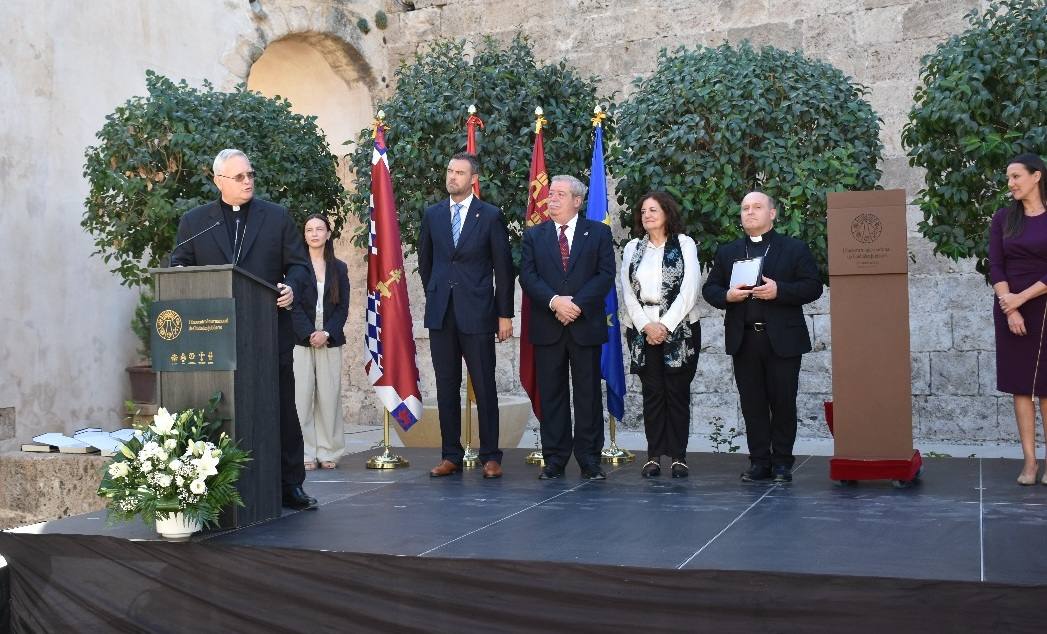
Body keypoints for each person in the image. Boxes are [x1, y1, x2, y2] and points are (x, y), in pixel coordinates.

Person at [170, 148, 317, 510]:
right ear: (219, 181)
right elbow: (179, 264)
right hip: (213, 336)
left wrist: (291, 288)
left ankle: (290, 484)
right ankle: (211, 483)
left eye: (250, 174)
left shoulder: (276, 217)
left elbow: (299, 266)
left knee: (281, 408)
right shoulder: (195, 221)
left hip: (268, 332)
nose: (248, 181)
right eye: (239, 177)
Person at [702, 191, 822, 484]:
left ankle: (782, 462)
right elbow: (710, 289)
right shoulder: (728, 252)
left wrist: (780, 290)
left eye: (757, 207)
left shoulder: (794, 249)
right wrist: (727, 296)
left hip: (782, 339)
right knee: (752, 403)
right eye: (745, 208)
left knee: (783, 402)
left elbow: (813, 286)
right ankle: (759, 462)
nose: (750, 212)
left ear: (773, 214)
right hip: (745, 339)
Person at [419, 152, 515, 479]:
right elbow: (426, 263)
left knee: (485, 384)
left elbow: (503, 269)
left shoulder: (489, 216)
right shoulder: (432, 215)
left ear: (473, 178)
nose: (452, 177)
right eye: (449, 171)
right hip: (442, 312)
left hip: (477, 312)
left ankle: (491, 455)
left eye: (459, 172)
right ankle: (450, 455)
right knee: (446, 386)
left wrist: (505, 315)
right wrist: (438, 293)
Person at [519, 174, 615, 480]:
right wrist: (554, 302)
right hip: (548, 325)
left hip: (584, 324)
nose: (552, 199)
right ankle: (555, 459)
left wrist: (575, 305)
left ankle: (589, 460)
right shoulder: (535, 235)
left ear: (577, 200)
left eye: (561, 194)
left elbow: (604, 275)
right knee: (552, 395)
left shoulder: (598, 233)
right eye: (551, 194)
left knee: (587, 394)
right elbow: (528, 276)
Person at [620, 192, 701, 478]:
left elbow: (690, 289)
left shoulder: (684, 244)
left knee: (677, 393)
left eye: (653, 210)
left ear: (667, 212)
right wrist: (646, 326)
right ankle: (653, 456)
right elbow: (628, 292)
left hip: (679, 329)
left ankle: (679, 457)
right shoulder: (632, 247)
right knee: (652, 394)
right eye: (643, 211)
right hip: (642, 331)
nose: (647, 215)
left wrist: (664, 325)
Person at [989, 153, 1047, 486]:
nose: (1010, 183)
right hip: (1009, 306)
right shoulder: (1003, 219)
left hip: (1040, 304)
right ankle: (1029, 462)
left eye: (1016, 176)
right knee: (1021, 388)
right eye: (1008, 177)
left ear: (1036, 176)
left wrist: (1020, 300)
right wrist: (1009, 307)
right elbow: (996, 265)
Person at [291, 214, 350, 472]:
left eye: (319, 229)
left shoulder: (340, 268)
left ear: (328, 234)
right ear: (304, 236)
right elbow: (291, 305)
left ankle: (329, 451)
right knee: (301, 397)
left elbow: (343, 307)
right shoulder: (294, 268)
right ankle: (305, 451)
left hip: (330, 338)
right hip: (300, 339)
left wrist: (326, 333)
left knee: (329, 396)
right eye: (309, 230)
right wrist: (308, 333)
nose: (314, 234)